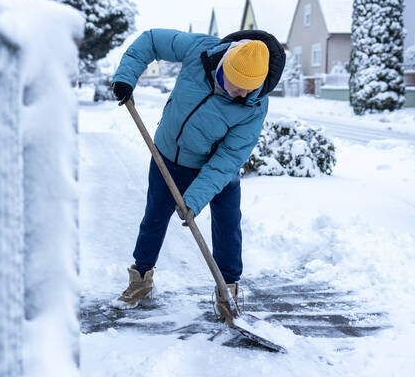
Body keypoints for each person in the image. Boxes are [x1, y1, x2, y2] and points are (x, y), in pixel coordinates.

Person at [111, 28, 285, 323]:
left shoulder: (255, 105)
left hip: (217, 168)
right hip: (168, 156)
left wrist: (194, 199)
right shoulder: (200, 50)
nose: (245, 94)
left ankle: (228, 292)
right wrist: (126, 77)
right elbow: (151, 41)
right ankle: (140, 280)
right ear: (225, 68)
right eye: (239, 86)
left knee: (228, 226)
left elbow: (228, 158)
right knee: (154, 217)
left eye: (251, 88)